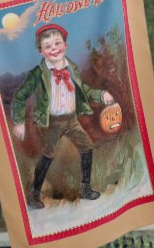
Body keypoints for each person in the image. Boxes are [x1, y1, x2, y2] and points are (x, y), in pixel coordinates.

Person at [11, 23, 114, 209]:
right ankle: (34, 193)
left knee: (87, 146)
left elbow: (85, 90)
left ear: (65, 45)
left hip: (71, 119)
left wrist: (101, 95)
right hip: (52, 122)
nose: (54, 49)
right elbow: (19, 96)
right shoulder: (38, 74)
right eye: (48, 47)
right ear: (41, 52)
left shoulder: (72, 69)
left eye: (57, 43)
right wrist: (19, 122)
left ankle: (85, 188)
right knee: (48, 155)